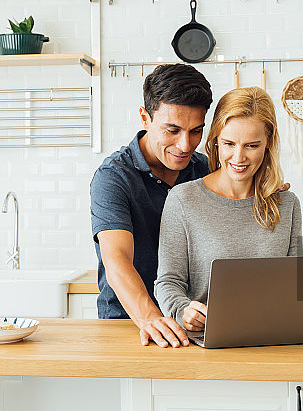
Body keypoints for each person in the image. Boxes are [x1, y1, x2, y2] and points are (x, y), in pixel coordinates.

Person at [154, 86, 303, 332]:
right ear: (215, 142)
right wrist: (183, 311)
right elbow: (168, 282)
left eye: (251, 145)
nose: (238, 157)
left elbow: (297, 284)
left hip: (272, 336)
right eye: (229, 143)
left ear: (268, 142)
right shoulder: (183, 200)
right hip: (207, 339)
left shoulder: (286, 204)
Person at [90, 64, 213, 348]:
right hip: (131, 324)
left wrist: (264, 190)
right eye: (172, 130)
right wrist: (150, 318)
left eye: (196, 131)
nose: (185, 145)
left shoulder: (205, 170)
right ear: (145, 117)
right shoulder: (113, 177)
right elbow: (117, 259)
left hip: (191, 325)